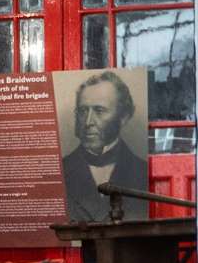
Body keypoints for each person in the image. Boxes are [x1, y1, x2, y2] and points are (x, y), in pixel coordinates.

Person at [58, 68, 148, 223]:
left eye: (99, 111)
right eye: (83, 111)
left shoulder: (141, 171)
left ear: (124, 116)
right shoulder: (59, 172)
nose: (88, 122)